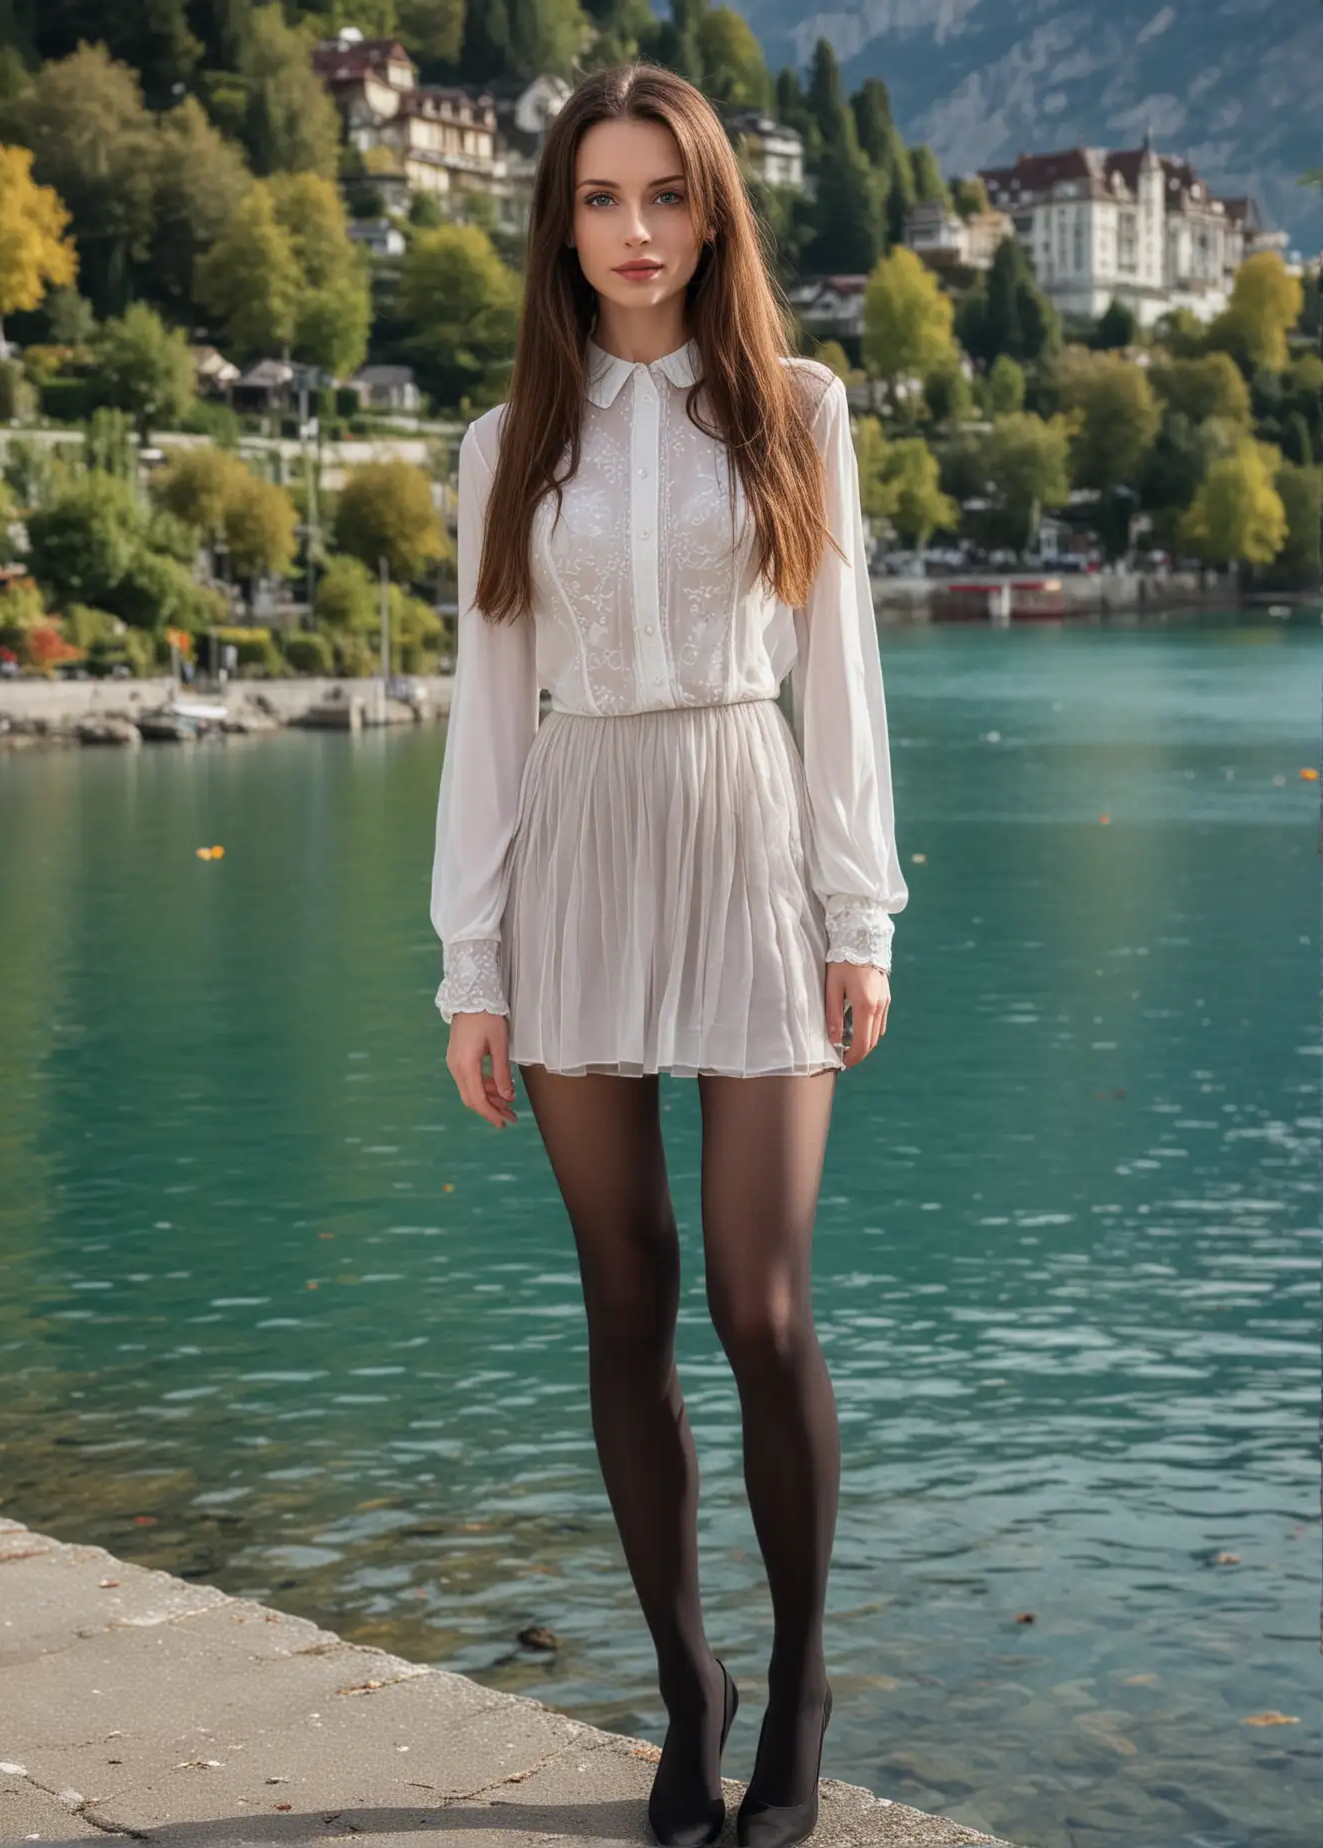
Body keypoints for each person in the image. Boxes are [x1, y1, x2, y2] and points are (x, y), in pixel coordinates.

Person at [429, 62, 908, 1848]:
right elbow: (484, 711)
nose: (635, 233)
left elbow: (843, 675)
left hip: (747, 829)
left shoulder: (798, 403)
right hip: (575, 854)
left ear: (715, 213)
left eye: (667, 198)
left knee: (758, 1302)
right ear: (561, 222)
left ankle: (798, 1687)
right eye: (602, 199)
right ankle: (685, 1688)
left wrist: (859, 913)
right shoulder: (504, 445)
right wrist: (468, 962)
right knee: (622, 1300)